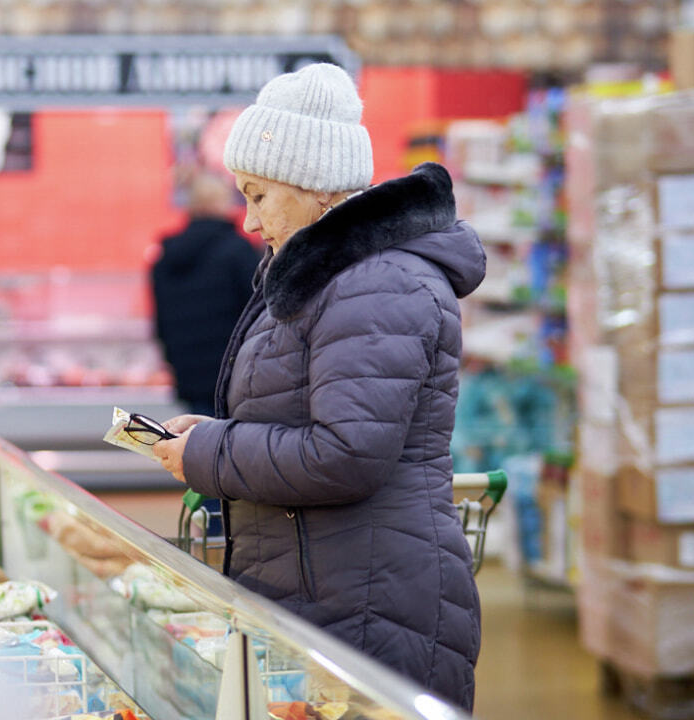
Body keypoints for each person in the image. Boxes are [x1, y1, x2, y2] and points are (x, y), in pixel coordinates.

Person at [150, 63, 485, 711]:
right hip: (331, 592)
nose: (248, 221)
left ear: (315, 186)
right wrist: (213, 434)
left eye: (259, 194)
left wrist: (207, 456)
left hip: (371, 608)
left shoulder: (377, 284)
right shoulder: (325, 277)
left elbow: (345, 455)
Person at [151, 172, 261, 416]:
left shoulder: (166, 257)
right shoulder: (238, 251)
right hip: (235, 374)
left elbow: (160, 324)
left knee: (198, 440)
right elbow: (258, 312)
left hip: (189, 375)